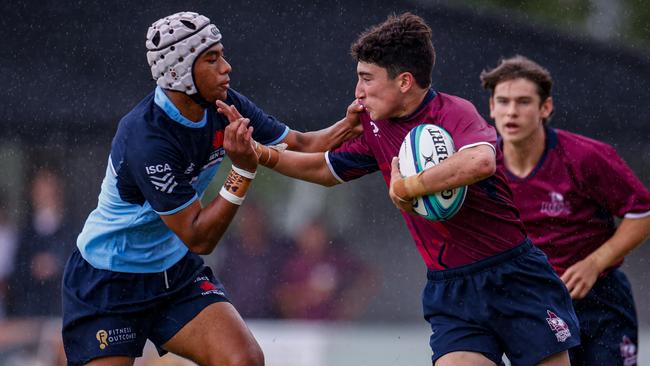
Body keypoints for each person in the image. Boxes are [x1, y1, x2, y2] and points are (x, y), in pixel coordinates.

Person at [218, 12, 579, 366]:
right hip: (452, 288)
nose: (358, 92)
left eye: (367, 79)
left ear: (404, 81)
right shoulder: (374, 127)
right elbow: (324, 168)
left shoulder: (453, 112)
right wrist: (258, 155)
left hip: (514, 275)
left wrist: (409, 186)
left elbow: (480, 162)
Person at [61, 11, 362, 366]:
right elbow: (200, 237)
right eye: (212, 58)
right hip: (108, 282)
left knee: (244, 360)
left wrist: (353, 123)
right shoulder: (145, 138)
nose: (227, 67)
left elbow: (298, 143)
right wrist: (244, 169)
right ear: (177, 71)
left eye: (222, 54)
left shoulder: (223, 103)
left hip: (174, 274)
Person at [480, 55, 650, 366]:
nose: (512, 112)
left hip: (601, 301)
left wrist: (594, 263)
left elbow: (643, 213)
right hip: (533, 306)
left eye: (523, 102)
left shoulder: (585, 157)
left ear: (545, 108)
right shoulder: (482, 167)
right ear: (491, 108)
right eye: (502, 102)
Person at [274, 219, 378, 321]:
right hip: (302, 328)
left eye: (318, 235)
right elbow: (281, 299)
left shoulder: (337, 259)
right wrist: (308, 295)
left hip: (334, 328)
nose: (314, 240)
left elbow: (369, 276)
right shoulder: (294, 265)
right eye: (310, 236)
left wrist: (351, 301)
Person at [7, 168, 77, 317]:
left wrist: (58, 266)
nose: (45, 194)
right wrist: (33, 267)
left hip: (62, 311)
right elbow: (17, 274)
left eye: (49, 189)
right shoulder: (26, 234)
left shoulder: (72, 231)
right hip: (30, 312)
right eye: (40, 190)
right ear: (32, 193)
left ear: (59, 191)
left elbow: (80, 270)